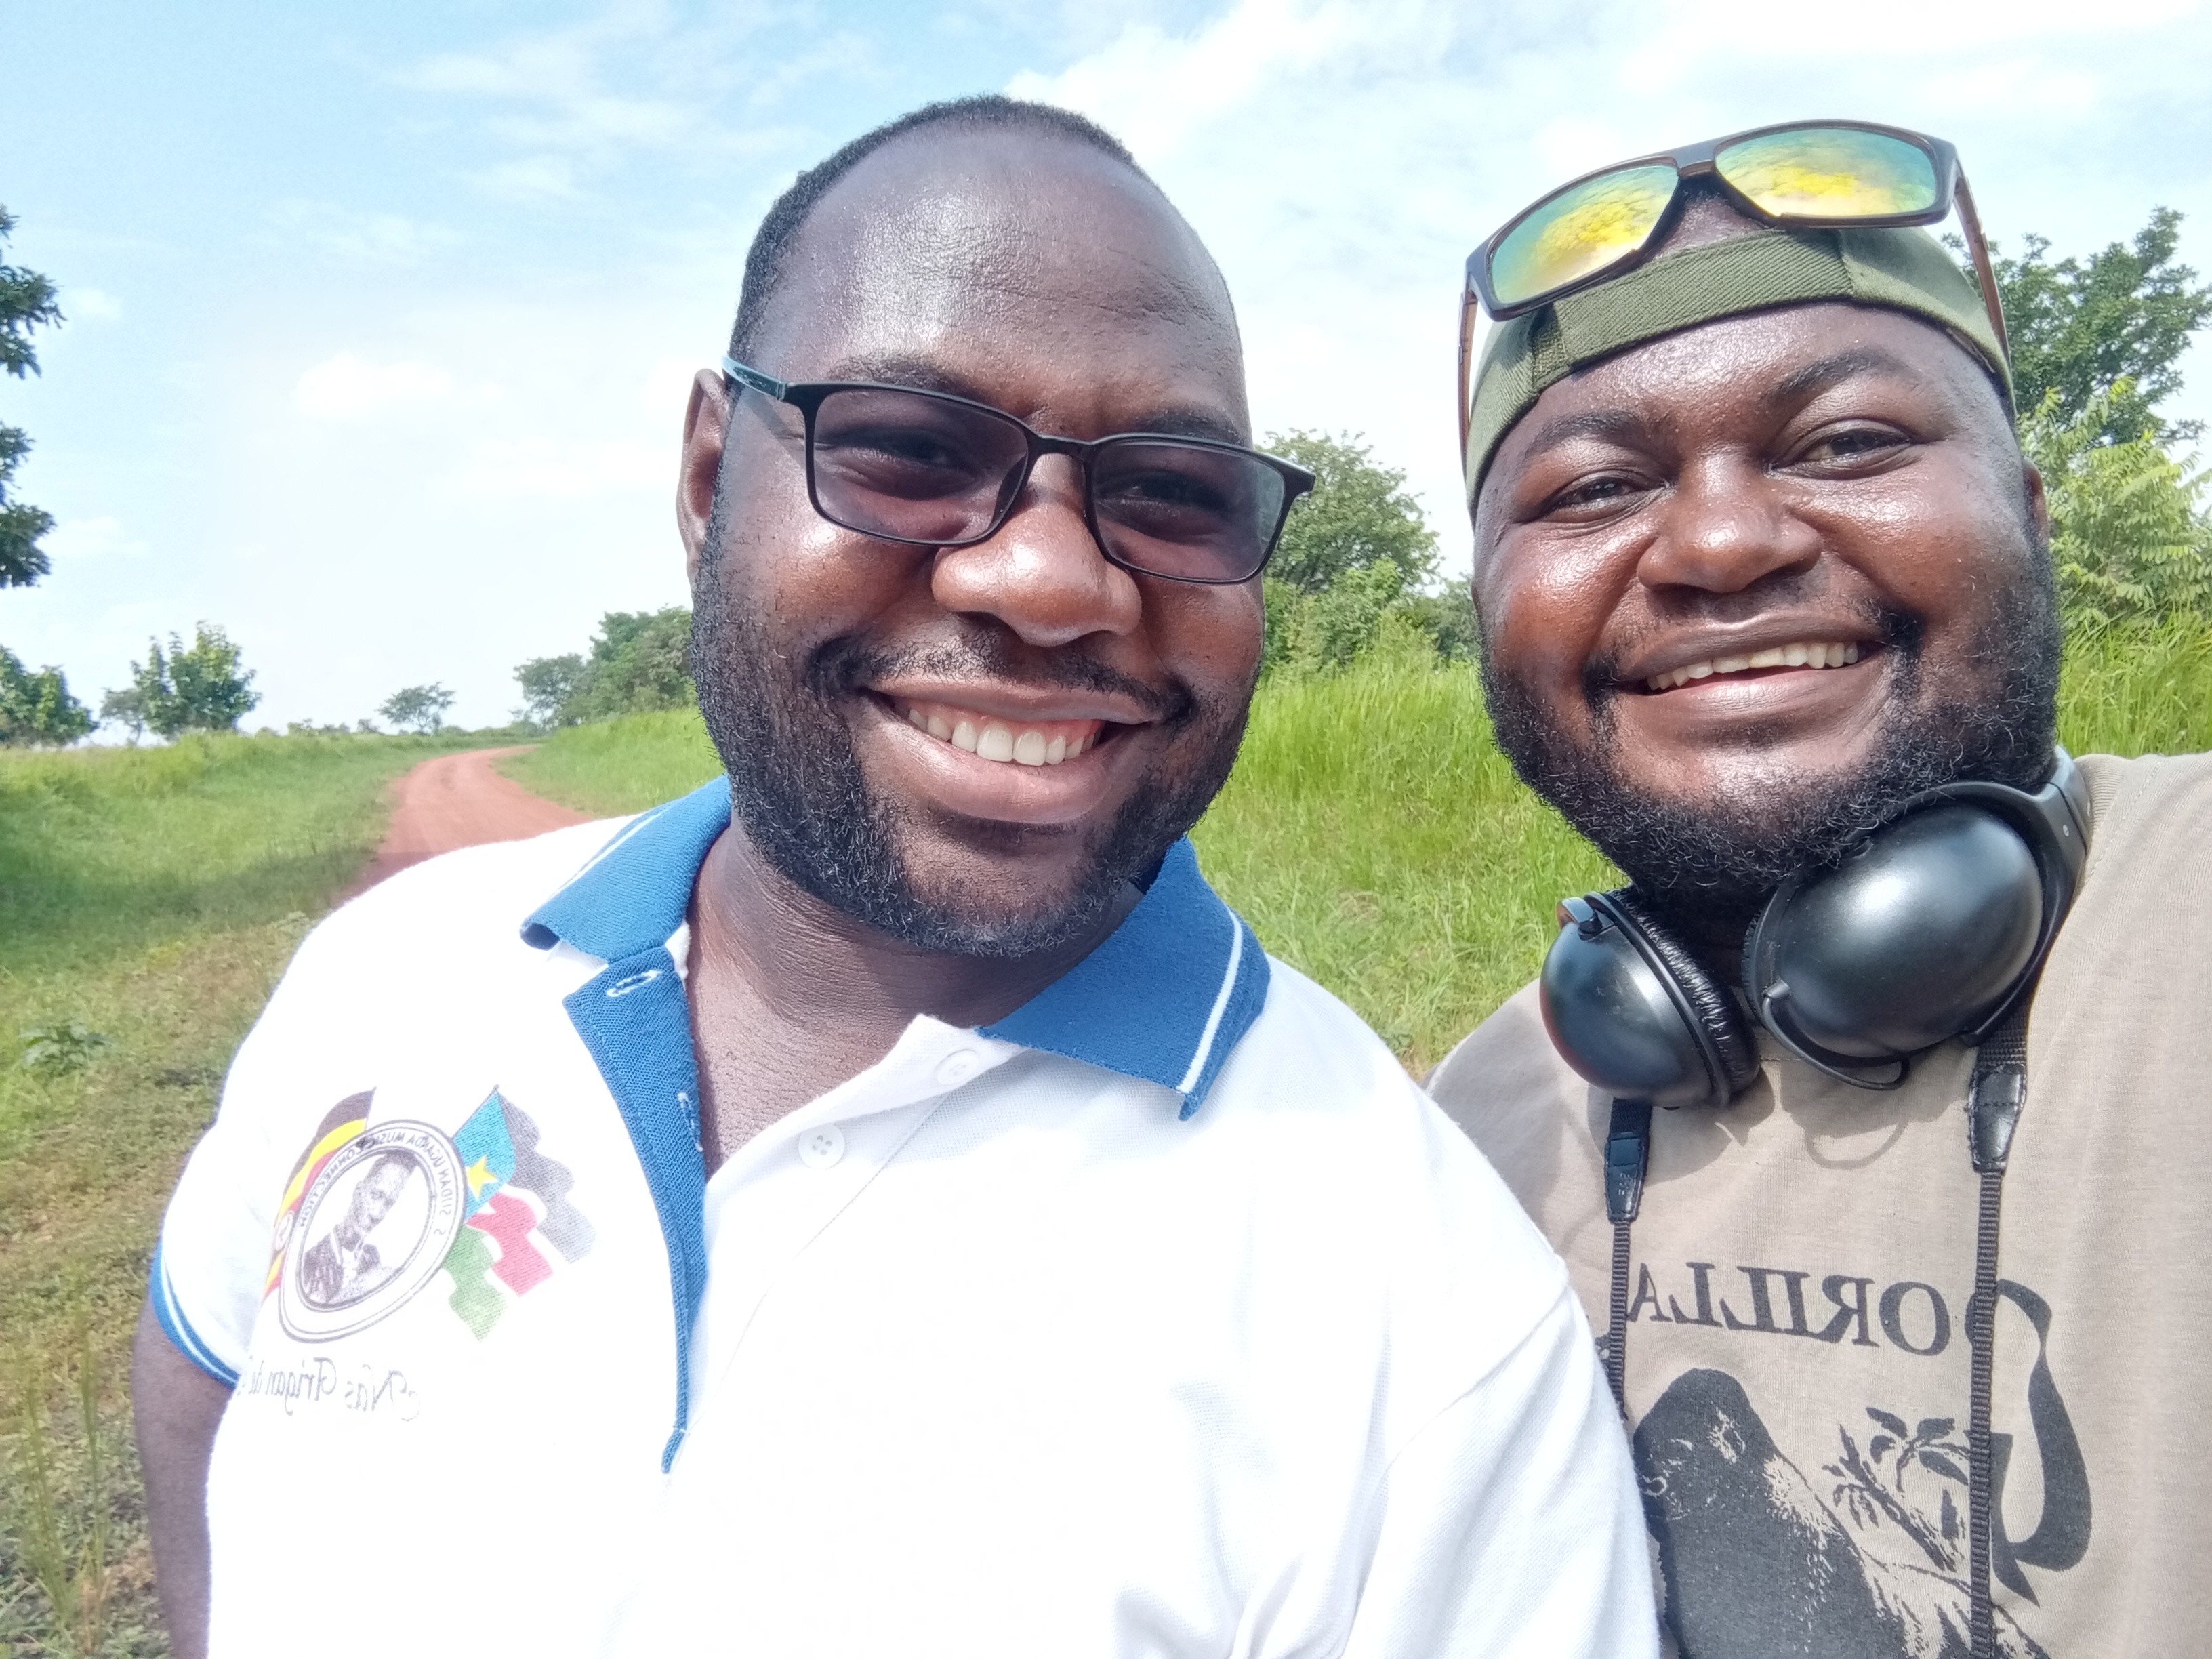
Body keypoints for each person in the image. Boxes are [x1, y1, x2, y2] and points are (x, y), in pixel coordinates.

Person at [134, 96, 1653, 1659]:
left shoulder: (1426, 1314)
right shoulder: (397, 967)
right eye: (910, 451)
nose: (1054, 579)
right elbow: (202, 1372)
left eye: (1170, 492)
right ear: (712, 481)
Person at [1429, 120, 2212, 1658]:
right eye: (1593, 491)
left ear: (2033, 523)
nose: (1720, 544)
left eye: (1847, 444)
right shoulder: (1478, 1133)